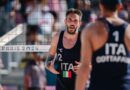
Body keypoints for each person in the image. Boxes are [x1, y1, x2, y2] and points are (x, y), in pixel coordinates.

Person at [76, 0, 130, 90]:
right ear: (119, 6)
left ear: (101, 5)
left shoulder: (90, 30)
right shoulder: (128, 30)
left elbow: (85, 66)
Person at [45, 8, 82, 90]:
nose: (72, 22)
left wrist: (85, 66)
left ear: (79, 23)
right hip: (62, 80)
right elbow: (49, 58)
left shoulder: (84, 38)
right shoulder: (57, 37)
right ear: (65, 21)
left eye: (75, 20)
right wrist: (49, 66)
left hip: (80, 81)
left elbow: (94, 60)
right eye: (70, 19)